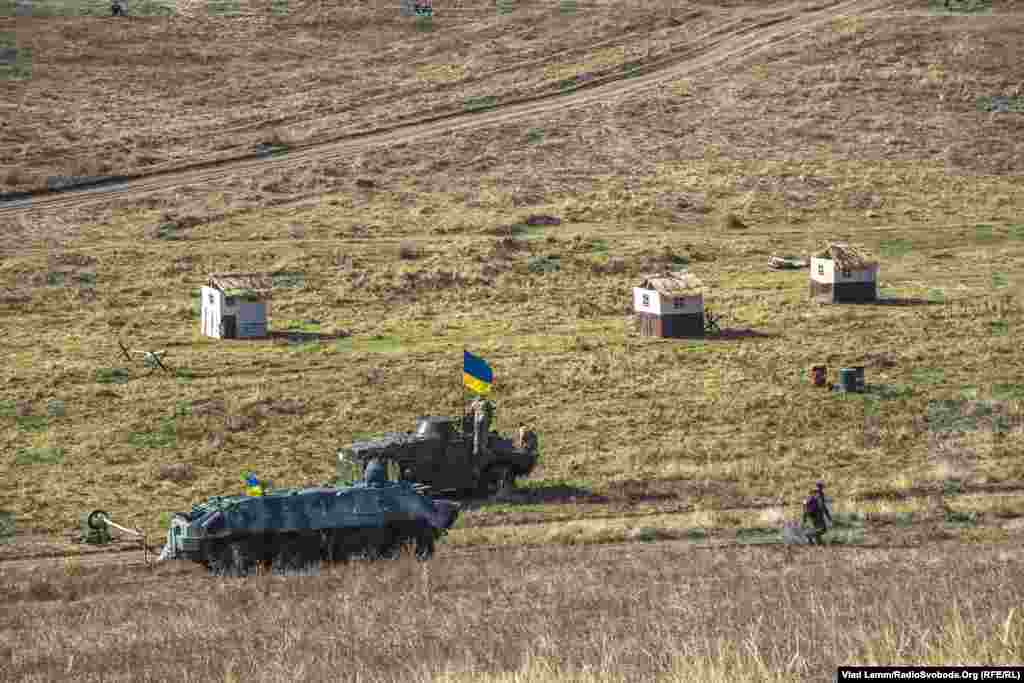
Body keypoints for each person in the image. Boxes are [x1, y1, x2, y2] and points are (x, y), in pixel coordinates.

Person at [802, 480, 832, 545]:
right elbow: (822, 506)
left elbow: (804, 503)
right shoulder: (819, 494)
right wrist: (828, 516)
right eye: (822, 486)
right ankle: (809, 535)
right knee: (823, 529)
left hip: (810, 513)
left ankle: (818, 542)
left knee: (817, 528)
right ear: (821, 486)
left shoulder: (811, 493)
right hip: (817, 514)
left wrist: (804, 516)